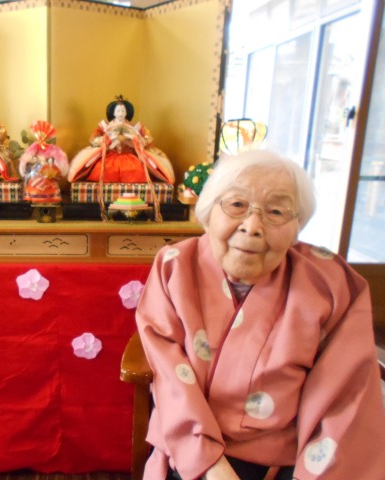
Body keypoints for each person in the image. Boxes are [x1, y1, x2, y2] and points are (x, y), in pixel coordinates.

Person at [136, 149, 385, 480]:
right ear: (207, 214)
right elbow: (169, 377)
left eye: (276, 211)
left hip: (289, 455)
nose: (252, 227)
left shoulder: (332, 286)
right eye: (237, 204)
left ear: (297, 228)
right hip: (189, 443)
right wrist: (209, 465)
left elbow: (346, 398)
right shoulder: (174, 267)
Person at [67, 95, 174, 184]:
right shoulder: (104, 126)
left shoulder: (136, 127)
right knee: (102, 169)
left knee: (137, 170)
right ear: (113, 113)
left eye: (123, 111)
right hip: (110, 155)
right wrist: (110, 139)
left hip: (130, 156)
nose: (120, 114)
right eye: (118, 111)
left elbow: (148, 139)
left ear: (127, 113)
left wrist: (131, 139)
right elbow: (93, 139)